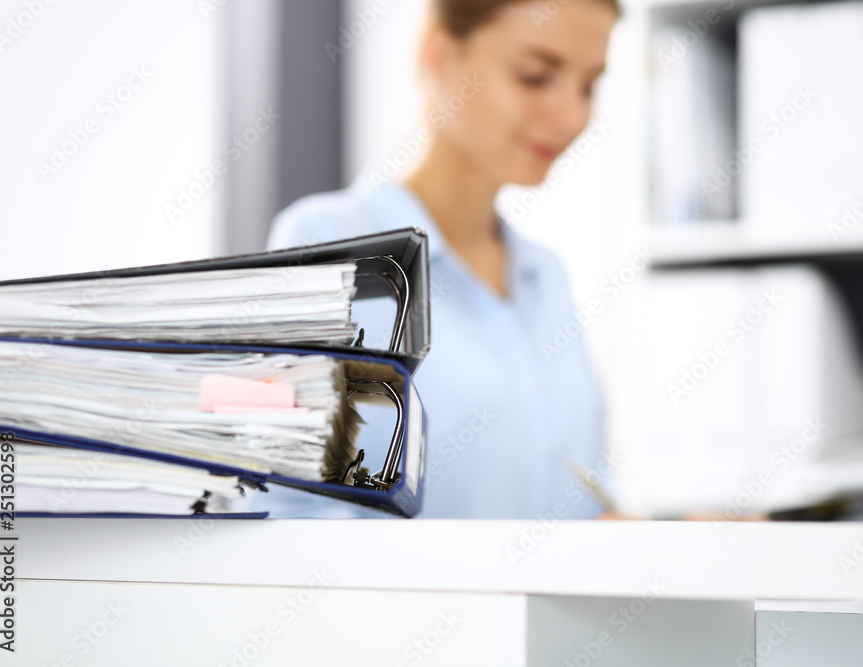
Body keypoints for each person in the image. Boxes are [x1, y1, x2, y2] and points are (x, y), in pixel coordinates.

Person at [247, 0, 620, 519]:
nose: (572, 115)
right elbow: (295, 512)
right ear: (438, 52)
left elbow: (581, 502)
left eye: (588, 85)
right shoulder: (327, 244)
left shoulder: (546, 276)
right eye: (535, 76)